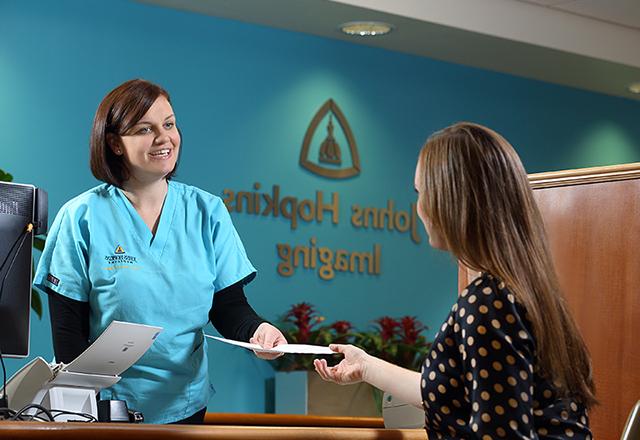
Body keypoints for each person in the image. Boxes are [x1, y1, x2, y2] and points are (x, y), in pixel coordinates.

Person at [314, 122, 596, 439]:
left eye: (422, 193)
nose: (419, 208)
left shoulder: (488, 302)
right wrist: (366, 366)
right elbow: (457, 397)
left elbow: (499, 432)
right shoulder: (528, 291)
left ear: (451, 200)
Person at [34, 79, 287, 424]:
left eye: (168, 124)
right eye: (144, 129)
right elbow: (68, 334)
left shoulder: (207, 211)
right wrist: (84, 413)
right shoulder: (82, 217)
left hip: (185, 404)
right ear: (115, 143)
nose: (163, 138)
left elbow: (229, 306)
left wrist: (258, 331)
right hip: (108, 409)